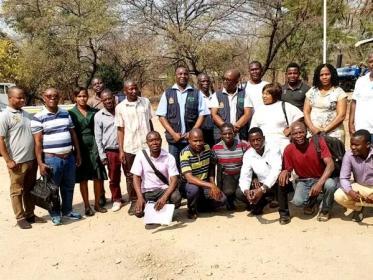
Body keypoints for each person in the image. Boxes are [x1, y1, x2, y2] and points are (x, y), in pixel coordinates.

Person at [31, 88, 82, 225]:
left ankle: (67, 210)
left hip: (69, 157)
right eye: (49, 96)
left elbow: (73, 134)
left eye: (55, 96)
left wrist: (77, 153)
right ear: (44, 98)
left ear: (59, 97)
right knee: (52, 189)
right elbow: (37, 143)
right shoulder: (38, 117)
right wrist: (41, 163)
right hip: (52, 159)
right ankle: (55, 214)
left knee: (69, 186)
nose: (52, 98)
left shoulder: (65, 113)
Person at [0, 87, 46, 229]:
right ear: (10, 98)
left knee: (29, 188)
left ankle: (30, 214)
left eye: (23, 97)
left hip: (31, 159)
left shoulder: (26, 114)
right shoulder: (4, 116)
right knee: (17, 190)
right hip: (17, 162)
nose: (22, 100)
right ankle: (20, 217)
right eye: (19, 98)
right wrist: (8, 160)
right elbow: (0, 139)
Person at [278, 122, 337, 221]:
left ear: (306, 132)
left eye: (301, 132)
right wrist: (285, 172)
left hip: (321, 177)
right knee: (298, 202)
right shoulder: (289, 149)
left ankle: (325, 210)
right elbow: (288, 169)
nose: (298, 136)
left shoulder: (318, 142)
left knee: (330, 185)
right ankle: (312, 202)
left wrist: (319, 184)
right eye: (295, 134)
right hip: (304, 180)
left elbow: (330, 165)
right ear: (291, 135)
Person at [156, 66, 210, 168]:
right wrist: (173, 134)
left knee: (193, 167)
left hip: (192, 141)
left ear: (188, 76)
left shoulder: (196, 93)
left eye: (185, 74)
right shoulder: (168, 93)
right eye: (180, 74)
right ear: (175, 76)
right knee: (174, 168)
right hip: (174, 141)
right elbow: (161, 116)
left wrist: (192, 132)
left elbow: (202, 114)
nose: (183, 76)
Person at [115, 80, 154, 215]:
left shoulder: (145, 102)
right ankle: (134, 200)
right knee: (131, 175)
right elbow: (120, 130)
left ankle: (147, 199)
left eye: (135, 88)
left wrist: (153, 140)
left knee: (148, 172)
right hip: (130, 147)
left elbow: (150, 122)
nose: (133, 91)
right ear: (125, 91)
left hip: (145, 146)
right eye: (130, 89)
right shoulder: (120, 107)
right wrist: (121, 151)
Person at [239, 127, 291, 225]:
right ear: (249, 142)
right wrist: (246, 191)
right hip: (262, 184)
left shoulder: (273, 148)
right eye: (252, 141)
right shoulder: (248, 154)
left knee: (281, 180)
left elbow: (276, 170)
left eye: (258, 139)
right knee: (241, 193)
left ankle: (284, 214)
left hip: (275, 181)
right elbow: (245, 176)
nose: (256, 143)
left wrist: (262, 189)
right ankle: (263, 201)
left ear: (263, 138)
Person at [69, 87, 108, 216]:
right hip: (80, 147)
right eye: (79, 96)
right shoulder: (71, 113)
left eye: (84, 96)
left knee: (97, 177)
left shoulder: (95, 112)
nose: (82, 98)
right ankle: (86, 206)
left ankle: (97, 204)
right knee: (83, 179)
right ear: (75, 98)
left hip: (95, 145)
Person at [131, 131, 182, 218]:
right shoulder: (140, 155)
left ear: (161, 141)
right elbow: (136, 177)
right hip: (147, 192)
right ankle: (153, 211)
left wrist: (164, 197)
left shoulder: (169, 157)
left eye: (157, 140)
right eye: (151, 141)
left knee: (176, 197)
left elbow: (174, 180)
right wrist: (139, 197)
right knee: (138, 213)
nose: (154, 143)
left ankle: (165, 211)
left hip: (163, 190)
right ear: (147, 143)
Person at [180, 128, 226, 219]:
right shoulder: (184, 153)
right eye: (195, 141)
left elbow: (212, 167)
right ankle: (191, 210)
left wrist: (213, 183)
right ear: (189, 140)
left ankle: (200, 206)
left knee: (222, 199)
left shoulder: (207, 148)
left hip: (204, 184)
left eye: (200, 140)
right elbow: (189, 178)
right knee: (194, 190)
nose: (198, 143)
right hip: (189, 184)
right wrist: (211, 185)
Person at [250, 83, 303, 154]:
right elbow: (253, 129)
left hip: (282, 145)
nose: (264, 96)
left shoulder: (284, 106)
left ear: (275, 95)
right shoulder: (259, 109)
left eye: (267, 94)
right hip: (264, 147)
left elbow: (300, 116)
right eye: (263, 94)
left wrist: (290, 129)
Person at [334, 129, 373, 222]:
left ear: (368, 145)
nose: (353, 147)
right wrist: (351, 192)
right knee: (338, 195)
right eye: (352, 144)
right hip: (361, 187)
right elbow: (343, 178)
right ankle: (358, 208)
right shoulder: (349, 155)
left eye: (357, 145)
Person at [94, 89, 124, 212]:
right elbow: (98, 137)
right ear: (102, 101)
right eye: (105, 99)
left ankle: (134, 198)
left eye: (110, 98)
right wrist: (102, 155)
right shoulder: (99, 116)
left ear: (114, 98)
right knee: (114, 176)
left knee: (130, 174)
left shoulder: (121, 111)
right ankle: (116, 199)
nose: (108, 101)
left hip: (126, 148)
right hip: (111, 151)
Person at [304, 63, 347, 143]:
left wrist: (324, 131)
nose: (324, 77)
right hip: (314, 133)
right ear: (318, 76)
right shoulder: (312, 91)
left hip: (334, 135)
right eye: (321, 75)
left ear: (332, 75)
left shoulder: (339, 92)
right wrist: (312, 128)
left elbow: (341, 115)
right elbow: (306, 112)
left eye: (327, 74)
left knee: (333, 156)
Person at [212, 123, 249, 210]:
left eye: (230, 133)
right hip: (227, 177)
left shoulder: (243, 145)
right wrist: (214, 185)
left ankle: (244, 200)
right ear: (221, 135)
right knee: (228, 192)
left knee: (240, 194)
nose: (227, 136)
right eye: (225, 134)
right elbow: (213, 168)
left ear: (234, 134)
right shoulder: (215, 148)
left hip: (242, 175)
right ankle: (231, 199)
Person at [210, 69, 252, 143]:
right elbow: (214, 114)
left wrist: (236, 126)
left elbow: (247, 114)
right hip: (221, 135)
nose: (225, 82)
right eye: (224, 79)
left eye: (228, 80)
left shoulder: (244, 94)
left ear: (236, 81)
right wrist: (227, 129)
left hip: (240, 134)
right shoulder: (216, 95)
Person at [349, 53, 373, 142]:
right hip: (361, 129)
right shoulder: (361, 81)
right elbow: (354, 102)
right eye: (371, 62)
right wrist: (351, 124)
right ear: (368, 64)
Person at [198, 73, 215, 147]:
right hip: (202, 131)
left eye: (207, 81)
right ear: (198, 83)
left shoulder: (215, 96)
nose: (206, 83)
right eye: (203, 81)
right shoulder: (196, 97)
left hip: (214, 131)